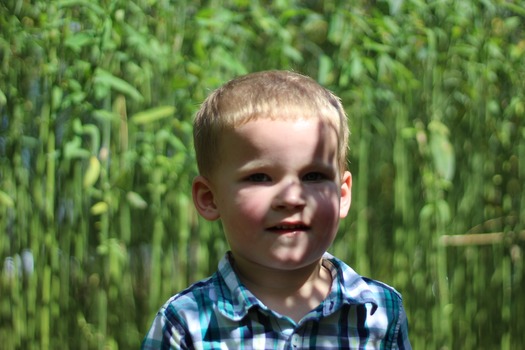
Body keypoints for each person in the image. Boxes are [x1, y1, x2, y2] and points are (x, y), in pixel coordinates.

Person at [141, 70, 411, 349]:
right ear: (210, 198)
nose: (291, 198)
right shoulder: (187, 323)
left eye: (313, 176)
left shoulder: (379, 313)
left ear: (342, 194)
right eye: (260, 177)